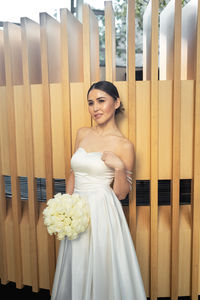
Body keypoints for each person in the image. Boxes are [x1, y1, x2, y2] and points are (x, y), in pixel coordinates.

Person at [51, 81, 147, 300]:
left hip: (102, 211)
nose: (95, 108)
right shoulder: (82, 133)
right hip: (77, 209)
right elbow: (73, 173)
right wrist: (67, 206)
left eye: (101, 101)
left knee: (102, 265)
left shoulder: (124, 145)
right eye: (91, 103)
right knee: (78, 262)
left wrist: (119, 167)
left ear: (116, 103)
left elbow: (122, 193)